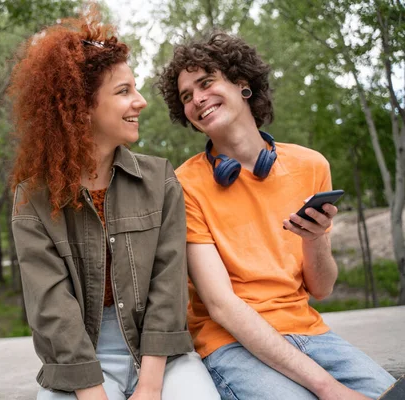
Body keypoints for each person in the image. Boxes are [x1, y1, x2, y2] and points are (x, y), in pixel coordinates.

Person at [156, 31, 396, 400]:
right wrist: (327, 387)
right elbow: (220, 305)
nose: (197, 99)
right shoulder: (183, 184)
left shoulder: (310, 165)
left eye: (206, 83)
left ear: (242, 84)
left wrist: (315, 238)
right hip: (230, 342)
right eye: (186, 96)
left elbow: (322, 288)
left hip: (311, 333)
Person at [8, 8, 220, 400]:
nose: (140, 102)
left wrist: (150, 386)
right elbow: (53, 310)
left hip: (161, 352)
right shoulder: (33, 198)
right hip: (79, 362)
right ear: (81, 106)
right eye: (124, 91)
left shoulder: (160, 180)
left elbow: (168, 287)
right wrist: (93, 392)